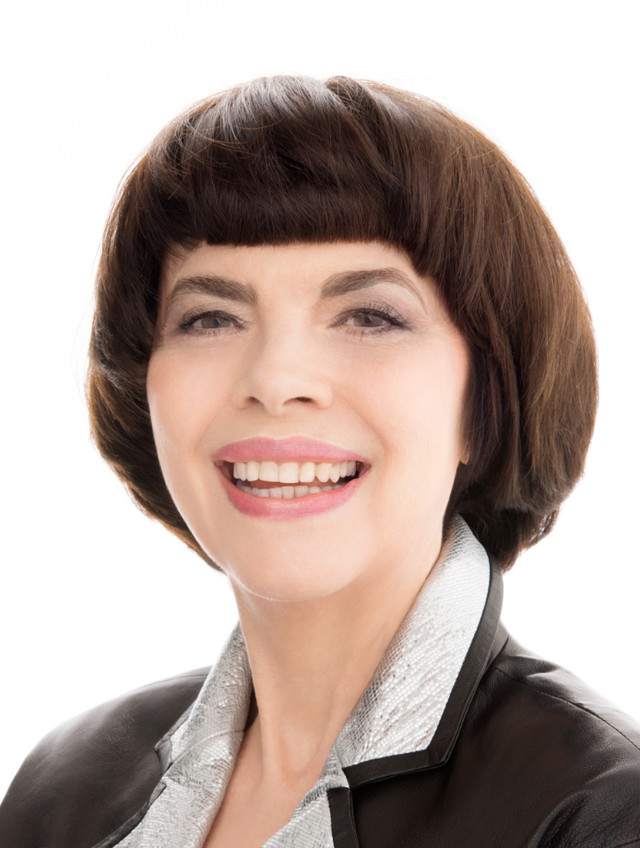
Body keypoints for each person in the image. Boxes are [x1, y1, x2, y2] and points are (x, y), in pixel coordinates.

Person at [1, 74, 639, 848]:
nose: (276, 381)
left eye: (369, 315)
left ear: (487, 400)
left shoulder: (598, 813)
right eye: (210, 317)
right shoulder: (61, 792)